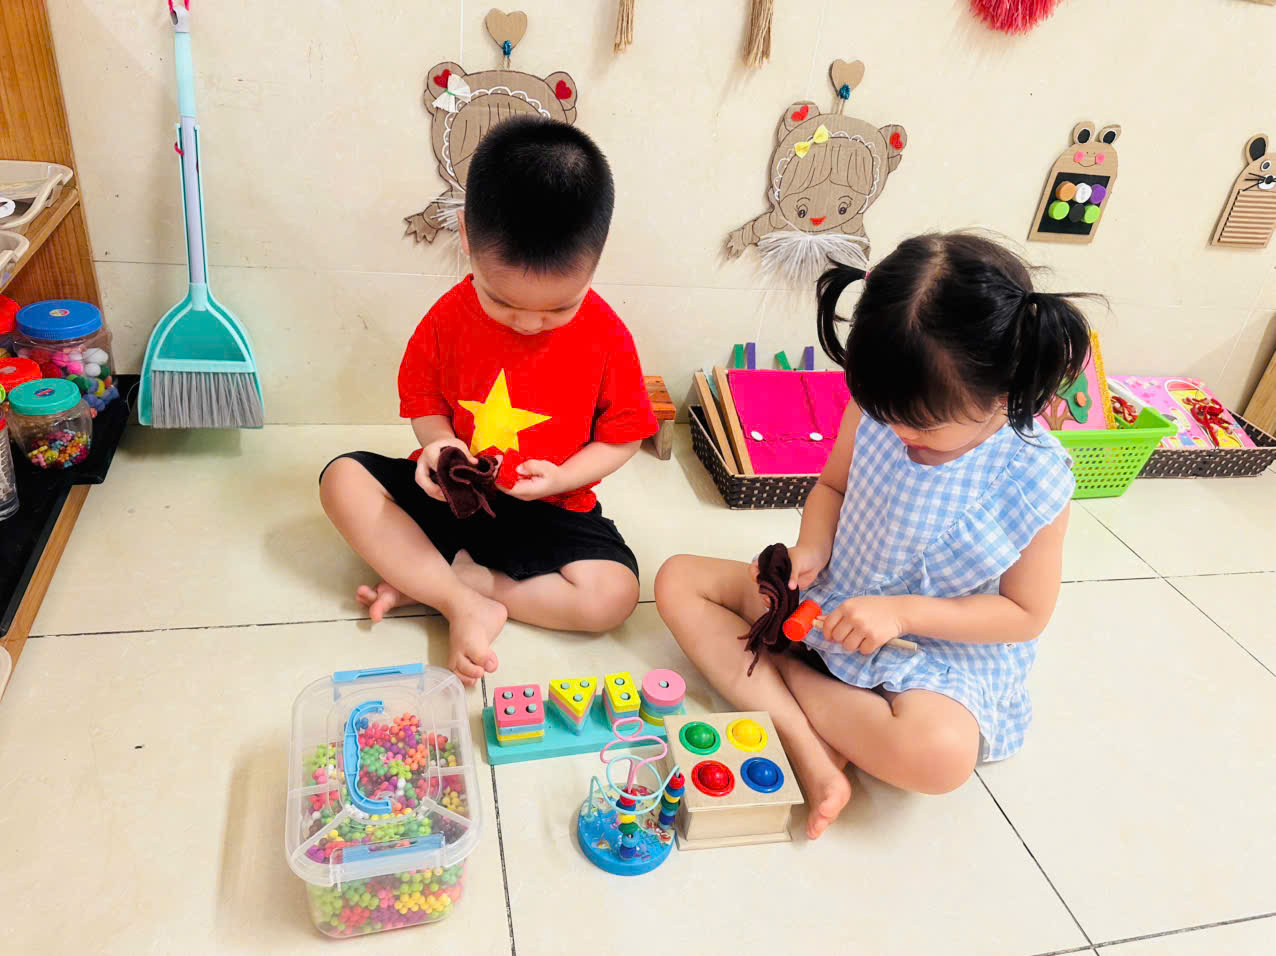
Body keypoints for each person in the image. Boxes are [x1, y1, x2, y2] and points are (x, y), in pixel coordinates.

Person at [656, 232, 1090, 838]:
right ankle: (808, 744)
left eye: (924, 426)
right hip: (831, 605)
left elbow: (1024, 614)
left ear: (1003, 391)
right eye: (885, 413)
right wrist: (812, 549)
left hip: (932, 648)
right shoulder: (881, 405)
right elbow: (832, 488)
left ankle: (782, 670)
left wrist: (901, 614)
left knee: (940, 757)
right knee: (678, 579)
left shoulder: (1036, 476)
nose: (898, 432)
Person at [321, 116, 657, 685]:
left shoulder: (607, 336)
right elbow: (425, 401)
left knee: (615, 597)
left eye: (559, 308)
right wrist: (439, 445)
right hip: (455, 493)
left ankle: (461, 583)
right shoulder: (446, 318)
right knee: (341, 480)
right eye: (502, 301)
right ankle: (459, 601)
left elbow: (623, 436)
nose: (529, 323)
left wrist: (562, 478)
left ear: (595, 260)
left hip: (551, 506)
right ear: (465, 236)